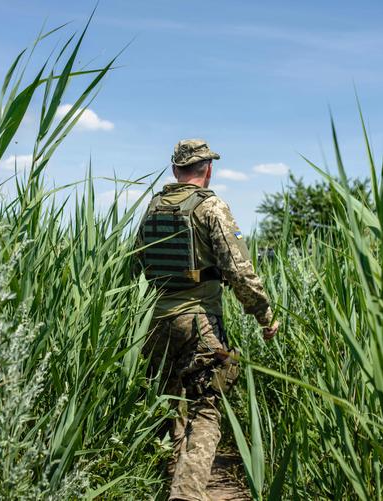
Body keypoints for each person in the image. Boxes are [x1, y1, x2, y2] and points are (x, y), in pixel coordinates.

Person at [136, 139, 279, 501]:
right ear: (208, 169)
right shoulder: (211, 207)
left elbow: (136, 264)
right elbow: (240, 271)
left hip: (154, 323)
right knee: (207, 408)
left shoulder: (152, 208)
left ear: (175, 170)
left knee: (167, 403)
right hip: (199, 322)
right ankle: (185, 494)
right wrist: (264, 315)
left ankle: (161, 481)